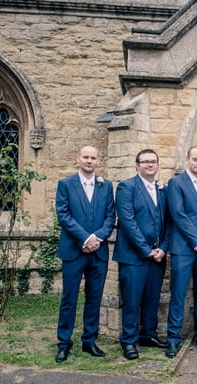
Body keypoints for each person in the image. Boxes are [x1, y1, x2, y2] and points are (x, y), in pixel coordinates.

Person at [54, 146, 115, 363]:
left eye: (93, 158)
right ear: (77, 158)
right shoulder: (65, 184)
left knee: (94, 298)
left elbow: (110, 216)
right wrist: (85, 239)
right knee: (69, 298)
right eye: (85, 157)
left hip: (98, 253)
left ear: (99, 161)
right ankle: (64, 342)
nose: (89, 161)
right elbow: (63, 214)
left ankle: (89, 340)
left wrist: (97, 238)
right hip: (74, 251)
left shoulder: (106, 186)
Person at [113, 149, 171, 360]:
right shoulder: (126, 187)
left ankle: (148, 334)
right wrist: (146, 250)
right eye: (145, 162)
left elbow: (168, 222)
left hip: (157, 255)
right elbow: (128, 222)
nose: (149, 165)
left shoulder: (162, 189)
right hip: (133, 256)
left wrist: (162, 248)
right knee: (132, 299)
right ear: (137, 165)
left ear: (157, 164)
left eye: (153, 162)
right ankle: (128, 340)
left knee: (152, 298)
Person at [165, 145, 197, 358]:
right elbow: (178, 215)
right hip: (184, 249)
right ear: (187, 159)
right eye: (195, 159)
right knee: (178, 293)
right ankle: (173, 338)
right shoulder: (176, 183)